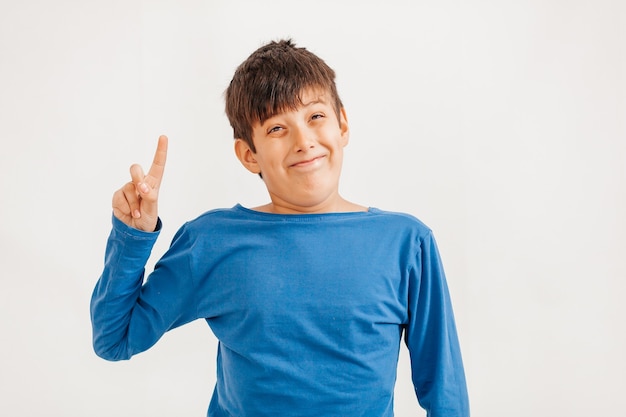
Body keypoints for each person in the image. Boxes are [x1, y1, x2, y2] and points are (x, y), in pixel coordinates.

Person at [90, 39, 470, 417]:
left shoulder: (405, 243)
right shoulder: (212, 241)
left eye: (316, 117)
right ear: (248, 154)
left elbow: (445, 392)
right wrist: (132, 237)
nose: (304, 142)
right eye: (276, 129)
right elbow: (115, 338)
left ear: (343, 125)